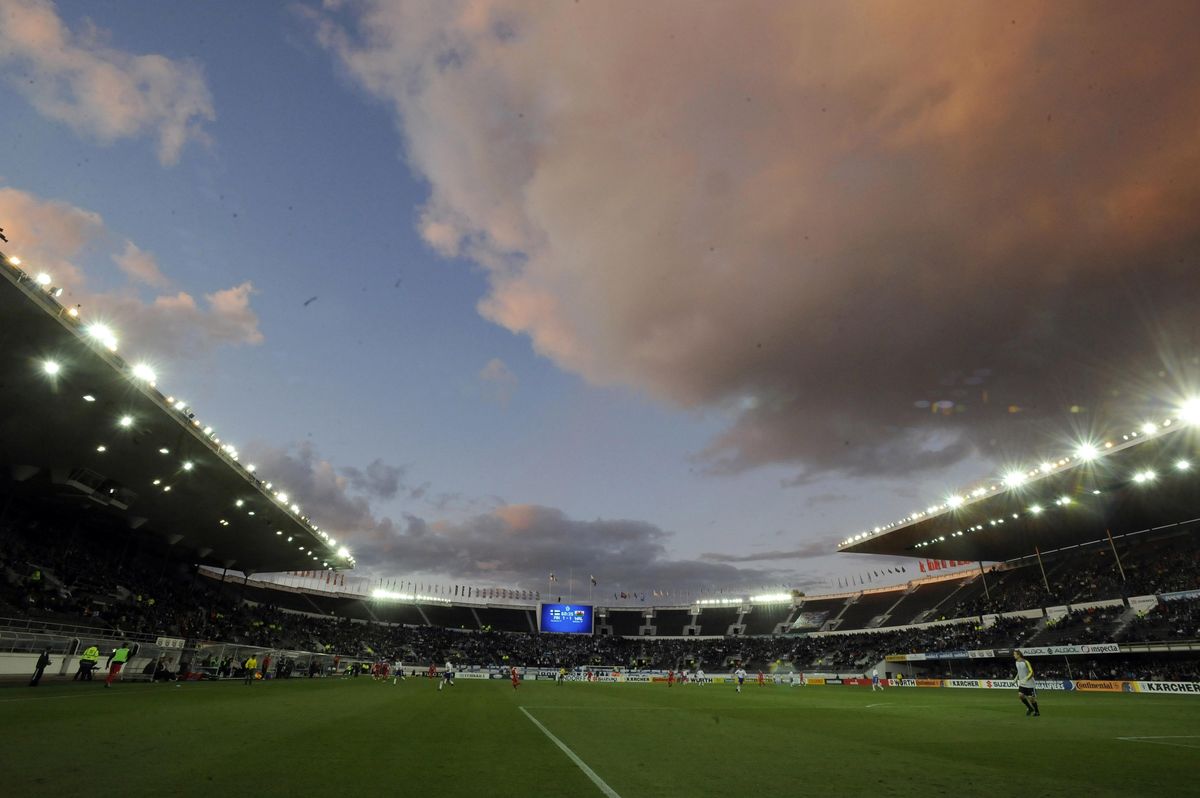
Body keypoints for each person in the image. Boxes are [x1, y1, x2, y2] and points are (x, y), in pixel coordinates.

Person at [1014, 651, 1040, 716]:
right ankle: (1030, 708)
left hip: (1030, 684)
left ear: (1019, 655)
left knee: (1031, 699)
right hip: (1022, 683)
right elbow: (1019, 672)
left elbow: (1031, 672)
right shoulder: (1016, 662)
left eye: (1014, 654)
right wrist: (1016, 678)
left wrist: (1026, 679)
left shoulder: (1026, 662)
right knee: (1021, 695)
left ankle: (1037, 712)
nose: (1013, 655)